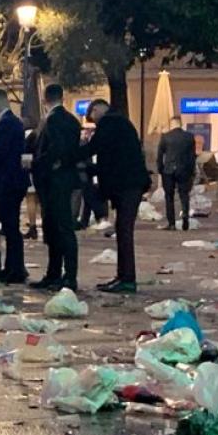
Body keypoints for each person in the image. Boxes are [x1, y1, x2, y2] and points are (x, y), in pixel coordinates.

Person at [78, 99, 150, 293]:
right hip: (129, 184)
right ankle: (123, 275)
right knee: (122, 229)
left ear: (97, 109)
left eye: (92, 116)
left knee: (124, 231)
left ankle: (127, 278)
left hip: (127, 185)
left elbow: (95, 149)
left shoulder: (109, 123)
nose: (93, 121)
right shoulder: (121, 122)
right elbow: (109, 156)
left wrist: (71, 156)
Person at [30, 84, 83, 291]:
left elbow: (54, 150)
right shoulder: (71, 120)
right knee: (59, 227)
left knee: (57, 227)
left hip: (53, 181)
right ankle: (63, 274)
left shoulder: (51, 121)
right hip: (65, 179)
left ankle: (61, 275)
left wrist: (36, 163)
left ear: (45, 100)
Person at [0, 88, 28, 283]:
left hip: (6, 182)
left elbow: (1, 154)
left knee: (9, 227)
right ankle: (13, 267)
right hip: (15, 181)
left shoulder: (5, 124)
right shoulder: (15, 122)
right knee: (11, 227)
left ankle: (14, 269)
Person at [156, 116, 196, 230]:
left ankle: (171, 223)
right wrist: (191, 170)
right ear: (180, 123)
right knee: (184, 195)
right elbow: (192, 156)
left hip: (168, 170)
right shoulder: (189, 137)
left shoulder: (166, 137)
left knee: (169, 197)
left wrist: (160, 169)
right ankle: (185, 216)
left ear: (172, 124)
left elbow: (160, 155)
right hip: (184, 170)